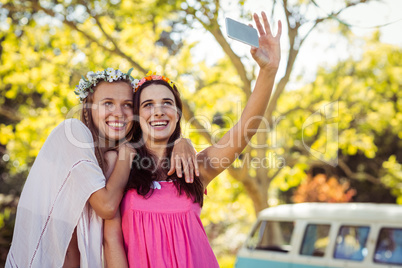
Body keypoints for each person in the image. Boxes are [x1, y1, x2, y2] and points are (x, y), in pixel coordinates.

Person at [103, 12, 282, 268]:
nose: (158, 111)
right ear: (136, 115)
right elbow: (112, 241)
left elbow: (245, 129)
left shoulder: (198, 167)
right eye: (148, 104)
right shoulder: (120, 165)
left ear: (177, 113)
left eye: (167, 103)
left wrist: (268, 71)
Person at [5, 68, 198, 268]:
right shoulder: (72, 133)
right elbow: (106, 206)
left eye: (128, 105)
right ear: (88, 110)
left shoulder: (119, 162)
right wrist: (126, 153)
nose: (119, 113)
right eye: (108, 103)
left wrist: (182, 141)